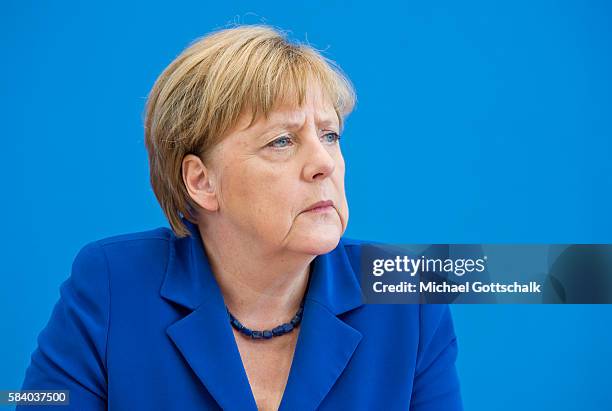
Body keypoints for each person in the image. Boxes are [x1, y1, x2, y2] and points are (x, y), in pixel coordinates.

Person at [19, 25, 462, 410]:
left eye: (329, 134)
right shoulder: (112, 283)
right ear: (201, 181)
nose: (323, 162)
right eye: (282, 141)